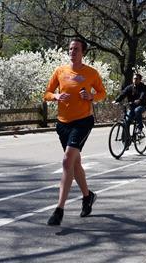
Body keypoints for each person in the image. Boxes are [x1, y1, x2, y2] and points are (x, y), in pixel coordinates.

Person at [43, 37, 107, 226]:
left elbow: (102, 93)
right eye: (70, 49)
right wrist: (55, 96)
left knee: (67, 160)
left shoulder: (91, 73)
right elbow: (46, 93)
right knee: (75, 163)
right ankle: (88, 196)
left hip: (83, 122)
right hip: (63, 123)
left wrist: (91, 96)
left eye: (76, 49)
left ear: (83, 52)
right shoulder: (60, 71)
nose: (72, 52)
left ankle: (59, 209)